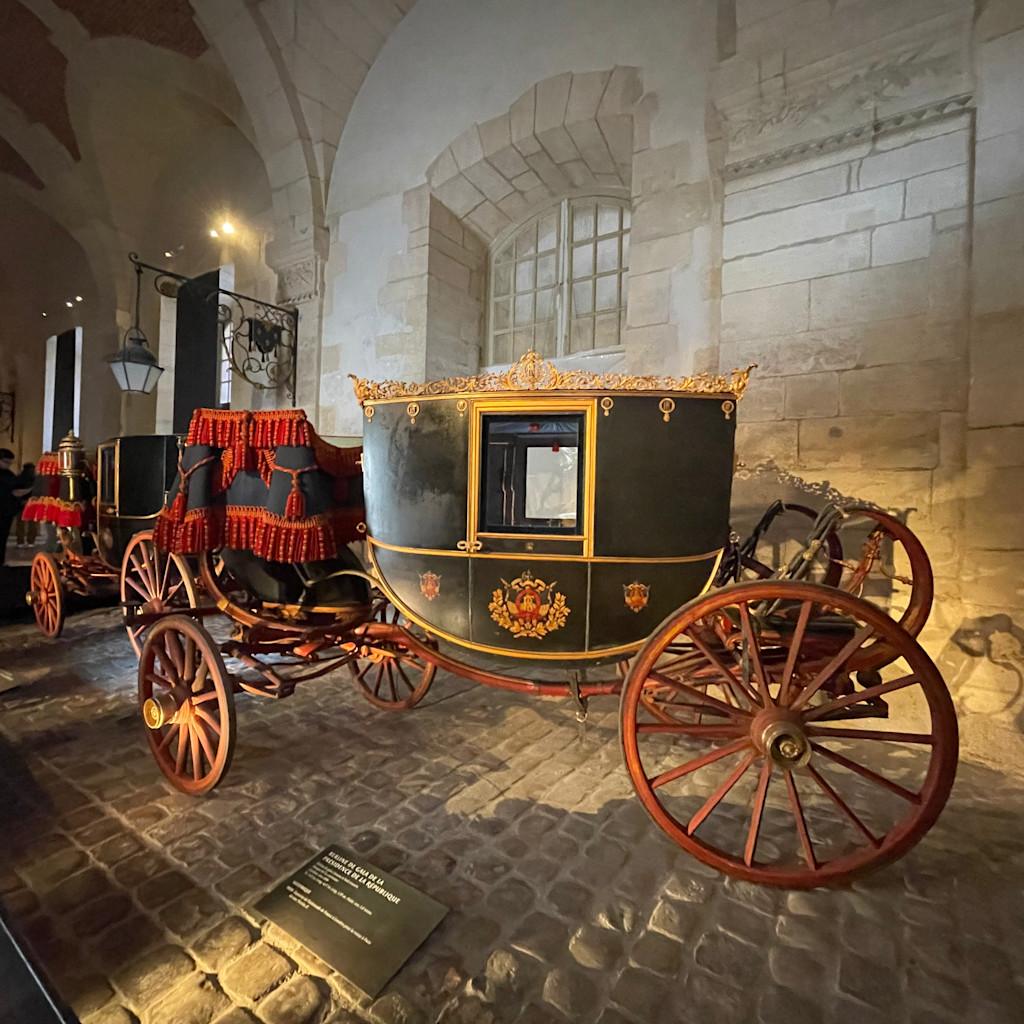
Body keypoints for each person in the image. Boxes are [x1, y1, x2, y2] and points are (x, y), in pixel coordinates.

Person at [0, 448, 33, 566]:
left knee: (3, 536)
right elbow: (12, 492)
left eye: (10, 462)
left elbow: (15, 487)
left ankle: (1, 562)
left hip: (6, 512)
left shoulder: (8, 474)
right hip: (3, 509)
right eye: (6, 462)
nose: (8, 465)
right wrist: (29, 490)